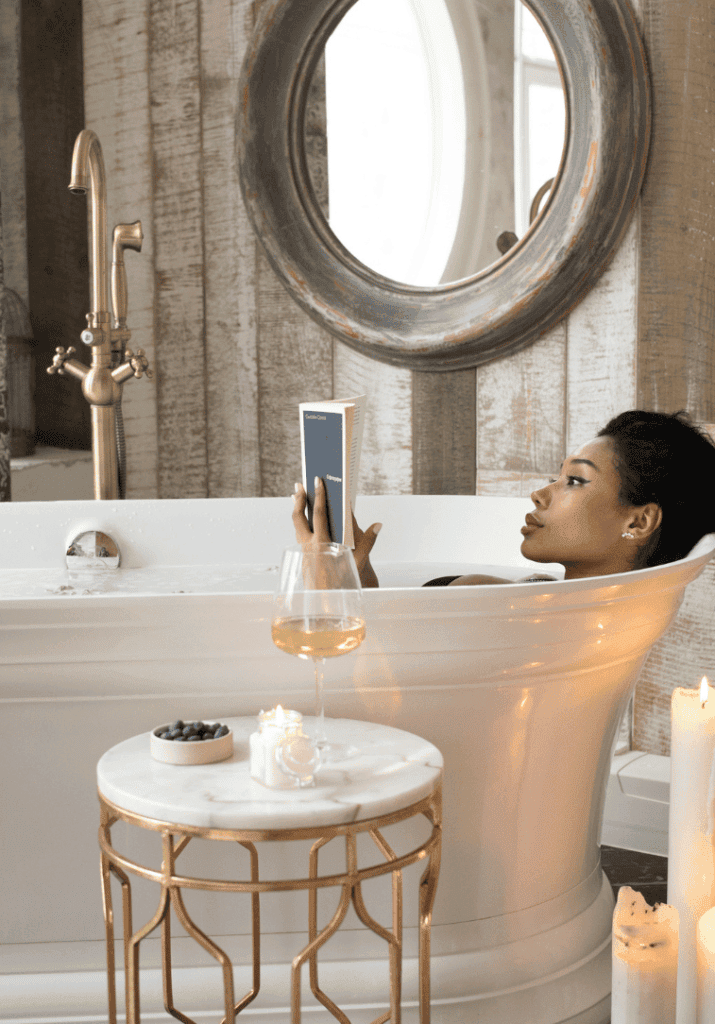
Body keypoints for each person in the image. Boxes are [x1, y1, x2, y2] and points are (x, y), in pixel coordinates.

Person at [292, 410, 715, 588]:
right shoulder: (556, 613)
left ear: (638, 523)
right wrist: (354, 570)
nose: (541, 493)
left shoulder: (505, 606)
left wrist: (326, 579)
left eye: (575, 481)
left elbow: (369, 686)